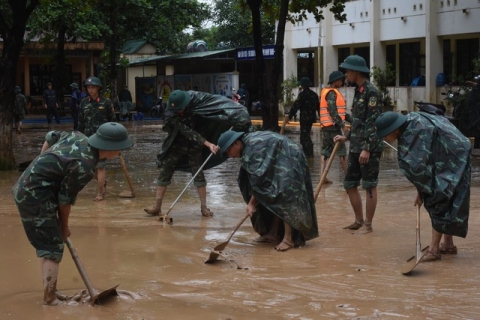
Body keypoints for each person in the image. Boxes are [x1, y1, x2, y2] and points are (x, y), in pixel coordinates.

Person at [12, 122, 133, 306]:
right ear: (110, 149)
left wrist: (41, 164)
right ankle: (50, 299)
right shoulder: (84, 166)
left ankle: (50, 290)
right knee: (53, 248)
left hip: (30, 187)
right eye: (120, 149)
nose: (120, 153)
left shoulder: (78, 136)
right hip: (34, 196)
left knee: (47, 245)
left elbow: (50, 136)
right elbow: (65, 200)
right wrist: (64, 227)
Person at [375, 111, 471, 261]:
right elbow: (423, 168)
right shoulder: (411, 121)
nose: (384, 138)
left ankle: (434, 250)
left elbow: (420, 170)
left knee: (438, 198)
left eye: (385, 135)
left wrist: (422, 192)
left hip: (454, 154)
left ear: (394, 130)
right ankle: (448, 245)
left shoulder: (414, 133)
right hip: (454, 148)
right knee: (446, 196)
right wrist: (421, 190)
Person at [144, 89, 252, 218]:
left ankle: (204, 207)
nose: (179, 112)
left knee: (199, 175)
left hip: (195, 147)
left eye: (181, 109)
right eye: (177, 111)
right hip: (176, 144)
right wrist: (207, 143)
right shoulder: (170, 113)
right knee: (164, 173)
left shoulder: (198, 101)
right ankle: (157, 207)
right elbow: (187, 131)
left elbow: (217, 105)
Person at [217, 129, 319, 251]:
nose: (230, 156)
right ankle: (273, 233)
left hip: (290, 156)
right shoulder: (247, 145)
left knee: (284, 193)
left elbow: (260, 181)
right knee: (271, 195)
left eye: (229, 151)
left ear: (236, 144)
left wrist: (252, 203)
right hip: (278, 156)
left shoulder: (252, 150)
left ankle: (288, 239)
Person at [333, 55, 383, 234]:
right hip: (355, 146)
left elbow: (373, 122)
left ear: (355, 71)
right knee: (350, 183)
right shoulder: (359, 91)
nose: (346, 74)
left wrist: (367, 148)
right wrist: (346, 137)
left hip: (368, 148)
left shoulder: (371, 92)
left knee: (369, 185)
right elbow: (358, 121)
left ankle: (368, 225)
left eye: (347, 71)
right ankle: (359, 220)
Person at [78, 76, 117, 201]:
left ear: (98, 88)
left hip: (102, 140)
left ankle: (100, 193)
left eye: (93, 87)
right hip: (87, 139)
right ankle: (103, 182)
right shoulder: (84, 103)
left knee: (100, 166)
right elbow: (80, 122)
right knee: (87, 167)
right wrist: (78, 138)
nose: (91, 90)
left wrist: (114, 140)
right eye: (88, 87)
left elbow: (113, 122)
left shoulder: (106, 103)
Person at [320, 71, 348, 183]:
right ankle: (348, 176)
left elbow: (342, 113)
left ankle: (322, 178)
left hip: (326, 126)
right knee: (342, 151)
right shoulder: (332, 93)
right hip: (333, 127)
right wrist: (343, 126)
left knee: (325, 151)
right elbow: (333, 112)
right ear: (335, 81)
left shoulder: (326, 92)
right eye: (340, 80)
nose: (342, 82)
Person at [284, 77, 320, 158]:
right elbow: (318, 107)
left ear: (302, 85)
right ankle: (309, 154)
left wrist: (289, 116)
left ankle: (308, 154)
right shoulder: (314, 95)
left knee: (304, 137)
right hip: (311, 118)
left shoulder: (302, 95)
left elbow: (296, 106)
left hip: (304, 119)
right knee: (306, 135)